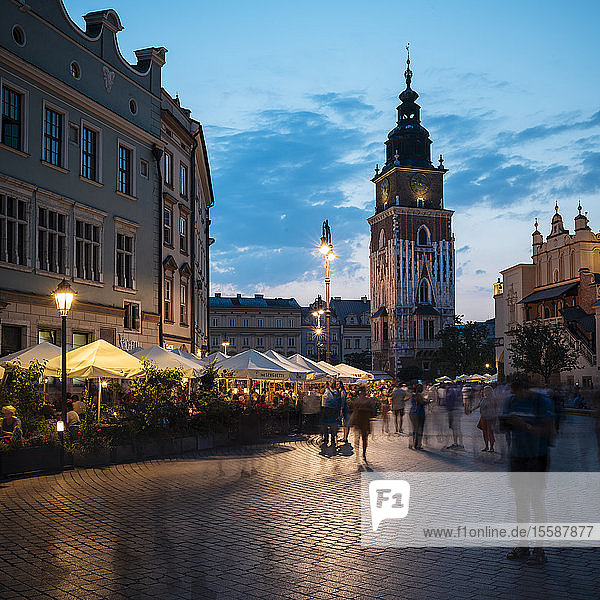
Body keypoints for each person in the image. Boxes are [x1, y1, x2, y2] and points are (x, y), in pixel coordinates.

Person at [500, 374, 555, 565]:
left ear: (527, 388)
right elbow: (503, 428)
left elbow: (549, 433)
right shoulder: (511, 400)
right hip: (518, 456)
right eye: (513, 391)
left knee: (536, 501)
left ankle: (539, 549)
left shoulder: (542, 402)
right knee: (521, 501)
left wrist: (525, 426)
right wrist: (504, 423)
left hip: (537, 456)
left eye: (518, 391)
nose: (516, 395)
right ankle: (523, 544)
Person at [351, 386, 375, 461]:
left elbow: (373, 410)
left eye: (363, 391)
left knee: (364, 437)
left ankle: (363, 452)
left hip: (364, 420)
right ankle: (358, 451)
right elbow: (354, 410)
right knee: (358, 437)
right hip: (359, 420)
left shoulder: (367, 400)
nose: (362, 393)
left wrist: (363, 409)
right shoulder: (358, 400)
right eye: (361, 391)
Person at [475, 385, 496, 452]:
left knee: (490, 432)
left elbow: (495, 408)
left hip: (490, 417)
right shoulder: (483, 398)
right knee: (484, 433)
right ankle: (486, 446)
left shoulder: (493, 399)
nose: (484, 392)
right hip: (483, 417)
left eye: (485, 390)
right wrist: (472, 409)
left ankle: (492, 447)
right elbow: (479, 405)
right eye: (484, 390)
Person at [321, 381, 341, 448]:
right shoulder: (325, 389)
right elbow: (321, 392)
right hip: (325, 408)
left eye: (333, 383)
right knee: (324, 424)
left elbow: (337, 399)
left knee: (333, 425)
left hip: (332, 409)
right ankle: (326, 437)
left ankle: (332, 439)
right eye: (330, 382)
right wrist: (325, 387)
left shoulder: (336, 391)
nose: (331, 384)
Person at [409, 384, 427, 449]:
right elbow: (422, 403)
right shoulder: (418, 395)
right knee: (419, 429)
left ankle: (413, 443)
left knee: (414, 429)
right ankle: (417, 444)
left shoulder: (412, 395)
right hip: (419, 412)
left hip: (412, 412)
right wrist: (428, 401)